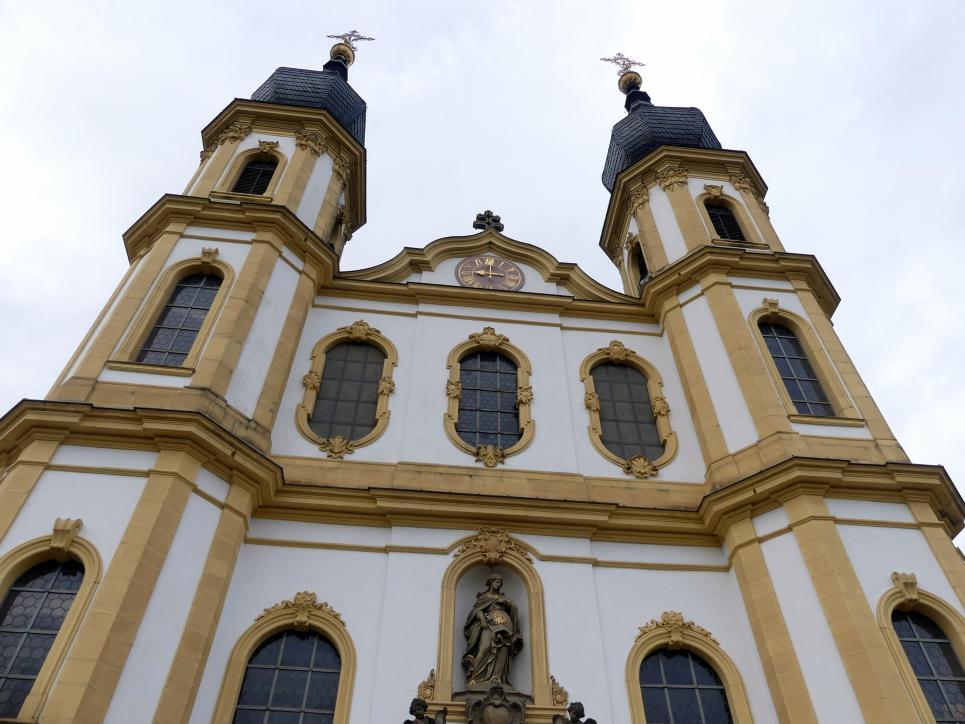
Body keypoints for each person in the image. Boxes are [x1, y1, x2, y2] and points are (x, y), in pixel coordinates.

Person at [462, 574, 523, 688]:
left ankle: (497, 678)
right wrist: (482, 619)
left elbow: (514, 609)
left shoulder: (504, 598)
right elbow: (477, 610)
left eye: (500, 582)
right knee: (484, 648)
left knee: (503, 649)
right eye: (496, 581)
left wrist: (510, 604)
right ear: (490, 582)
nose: (498, 584)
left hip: (505, 626)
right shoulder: (484, 597)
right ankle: (475, 678)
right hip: (489, 624)